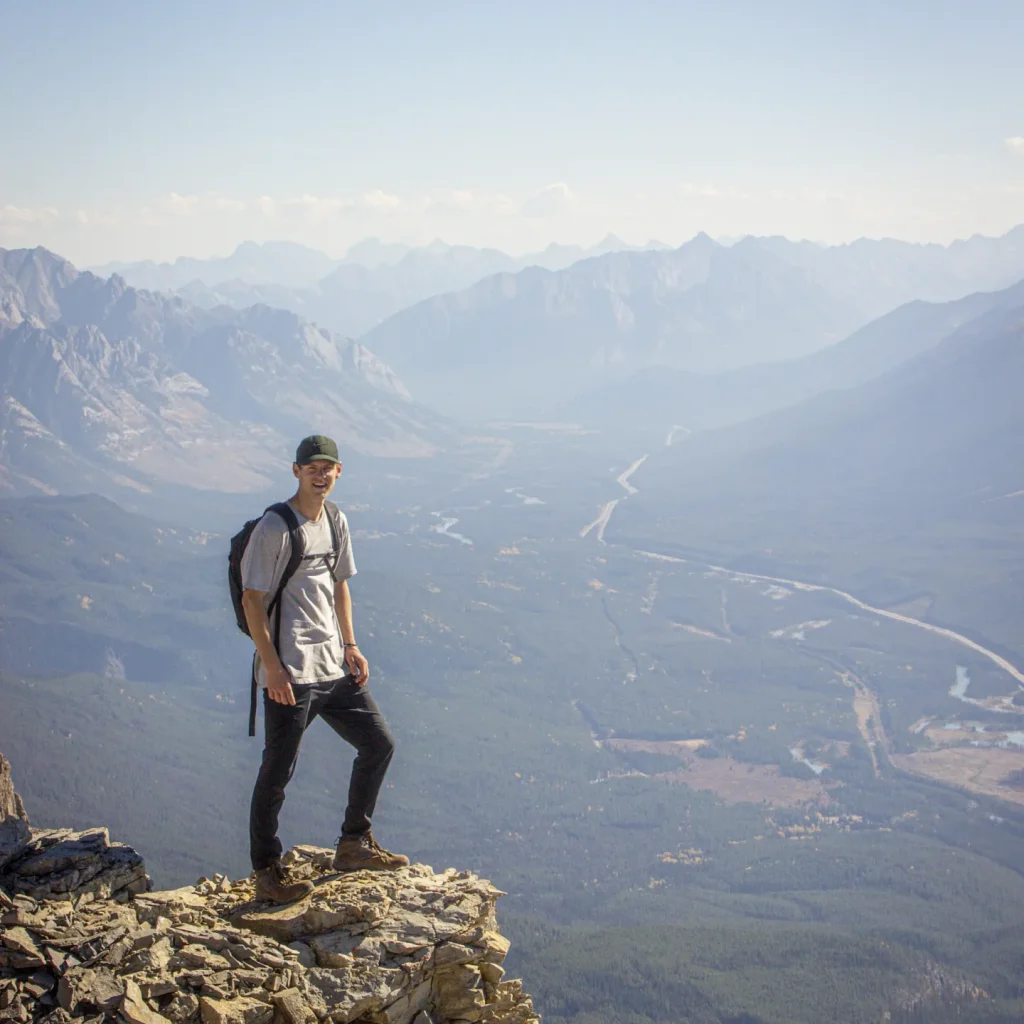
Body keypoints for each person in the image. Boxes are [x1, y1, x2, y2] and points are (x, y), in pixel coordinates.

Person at [241, 434, 408, 904]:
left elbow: (339, 587)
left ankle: (353, 843)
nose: (320, 474)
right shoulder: (275, 527)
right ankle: (267, 871)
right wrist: (272, 668)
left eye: (327, 467)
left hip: (333, 666)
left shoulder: (336, 520)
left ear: (339, 472)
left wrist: (351, 645)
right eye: (311, 467)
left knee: (379, 745)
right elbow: (251, 600)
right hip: (290, 673)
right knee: (277, 773)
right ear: (295, 471)